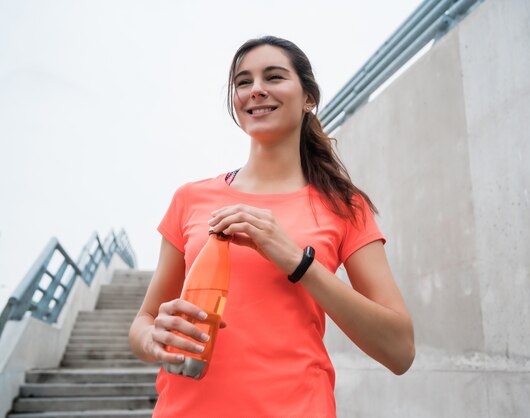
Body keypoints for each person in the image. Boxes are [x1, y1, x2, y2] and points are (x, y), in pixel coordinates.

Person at [128, 35, 415, 417]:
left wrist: (297, 261)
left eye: (274, 77)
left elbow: (400, 351)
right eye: (243, 82)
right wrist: (151, 338)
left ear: (309, 97)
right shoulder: (189, 199)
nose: (256, 90)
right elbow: (144, 321)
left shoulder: (345, 207)